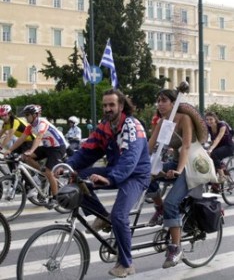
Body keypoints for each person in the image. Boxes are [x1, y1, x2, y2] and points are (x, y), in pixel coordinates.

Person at [64, 88, 151, 278]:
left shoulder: (132, 125)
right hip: (115, 171)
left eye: (111, 105)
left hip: (136, 175)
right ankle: (103, 216)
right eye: (104, 105)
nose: (107, 108)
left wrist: (110, 178)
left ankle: (126, 263)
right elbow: (88, 151)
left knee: (120, 215)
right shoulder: (104, 126)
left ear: (121, 105)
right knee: (77, 178)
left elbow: (130, 158)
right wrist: (67, 166)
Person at [148, 89, 207, 269]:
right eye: (158, 100)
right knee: (146, 177)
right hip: (175, 164)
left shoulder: (184, 119)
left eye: (164, 100)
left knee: (172, 203)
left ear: (173, 103)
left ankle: (176, 248)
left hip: (190, 167)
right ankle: (160, 208)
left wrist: (179, 170)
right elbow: (149, 146)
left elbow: (187, 146)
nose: (160, 104)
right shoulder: (162, 122)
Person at [5, 104, 67, 209]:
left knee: (49, 172)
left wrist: (31, 150)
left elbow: (38, 138)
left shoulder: (42, 123)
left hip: (57, 148)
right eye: (25, 115)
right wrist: (9, 150)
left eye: (28, 115)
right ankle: (42, 175)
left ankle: (56, 197)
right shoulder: (30, 126)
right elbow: (22, 139)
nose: (26, 117)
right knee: (26, 157)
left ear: (35, 115)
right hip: (47, 148)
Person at [205, 112, 234, 183]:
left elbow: (218, 138)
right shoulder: (208, 127)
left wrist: (211, 149)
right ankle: (214, 184)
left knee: (214, 154)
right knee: (206, 156)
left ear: (215, 119)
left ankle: (222, 176)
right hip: (218, 146)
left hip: (228, 146)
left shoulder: (222, 125)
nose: (209, 121)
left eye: (211, 119)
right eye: (207, 119)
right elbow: (205, 137)